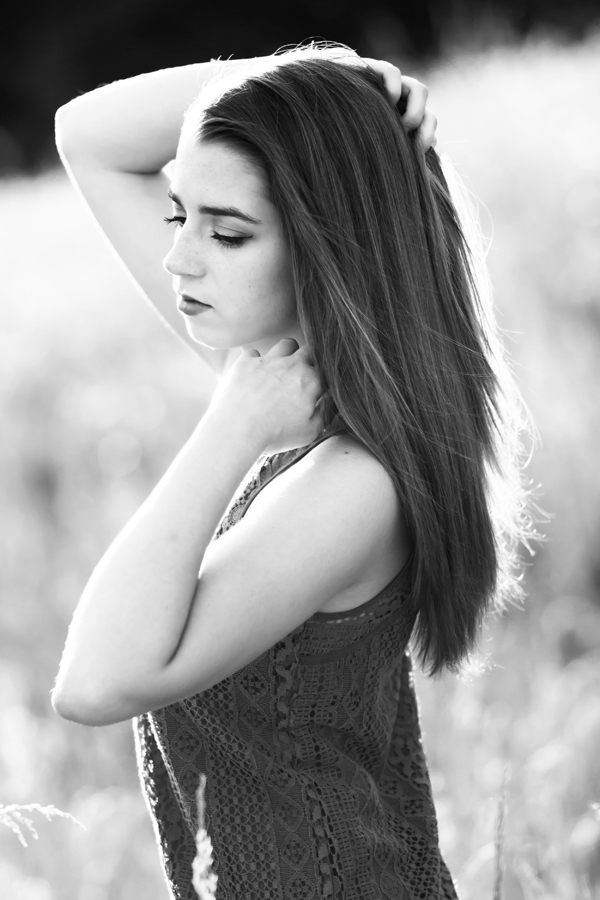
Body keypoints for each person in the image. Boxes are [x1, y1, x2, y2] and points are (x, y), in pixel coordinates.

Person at [52, 44, 534, 900]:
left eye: (227, 232)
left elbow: (95, 683)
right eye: (178, 216)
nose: (179, 258)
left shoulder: (353, 483)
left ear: (329, 246)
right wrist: (334, 77)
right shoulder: (298, 384)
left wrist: (230, 428)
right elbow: (87, 135)